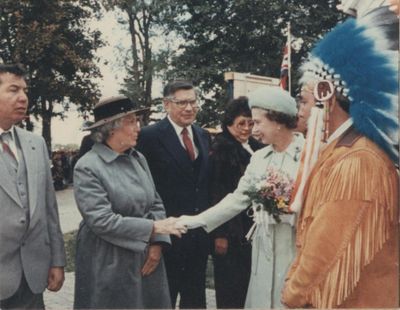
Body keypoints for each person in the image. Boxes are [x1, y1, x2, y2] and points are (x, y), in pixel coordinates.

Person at [281, 9, 399, 308]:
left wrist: (292, 294)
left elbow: (324, 251)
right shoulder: (342, 152)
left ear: (327, 95)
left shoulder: (357, 162)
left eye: (305, 101)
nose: (301, 111)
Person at [179, 85, 305, 308]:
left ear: (277, 120)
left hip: (295, 248)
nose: (253, 129)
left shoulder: (309, 154)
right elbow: (236, 199)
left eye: (257, 122)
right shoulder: (259, 158)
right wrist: (194, 221)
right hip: (263, 248)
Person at [73, 96, 186, 309]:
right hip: (108, 259)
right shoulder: (87, 167)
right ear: (110, 129)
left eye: (138, 120)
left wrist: (158, 243)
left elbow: (155, 203)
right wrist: (153, 228)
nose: (139, 127)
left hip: (146, 256)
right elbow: (101, 221)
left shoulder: (138, 158)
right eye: (132, 121)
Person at [136, 80, 211, 309]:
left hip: (197, 238)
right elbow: (144, 192)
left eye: (193, 102)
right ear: (166, 104)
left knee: (195, 301)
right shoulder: (148, 137)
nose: (189, 108)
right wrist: (155, 239)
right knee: (162, 301)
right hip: (166, 240)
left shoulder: (203, 135)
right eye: (182, 103)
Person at [0, 63, 66, 309]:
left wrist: (57, 261)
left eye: (25, 91)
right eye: (13, 90)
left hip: (32, 276)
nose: (23, 98)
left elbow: (50, 209)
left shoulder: (35, 144)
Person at [209, 96, 263, 309]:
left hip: (251, 226)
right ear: (229, 123)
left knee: (248, 283)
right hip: (230, 229)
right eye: (241, 123)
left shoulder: (256, 147)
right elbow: (216, 192)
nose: (246, 128)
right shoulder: (221, 149)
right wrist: (220, 234)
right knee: (231, 288)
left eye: (251, 123)